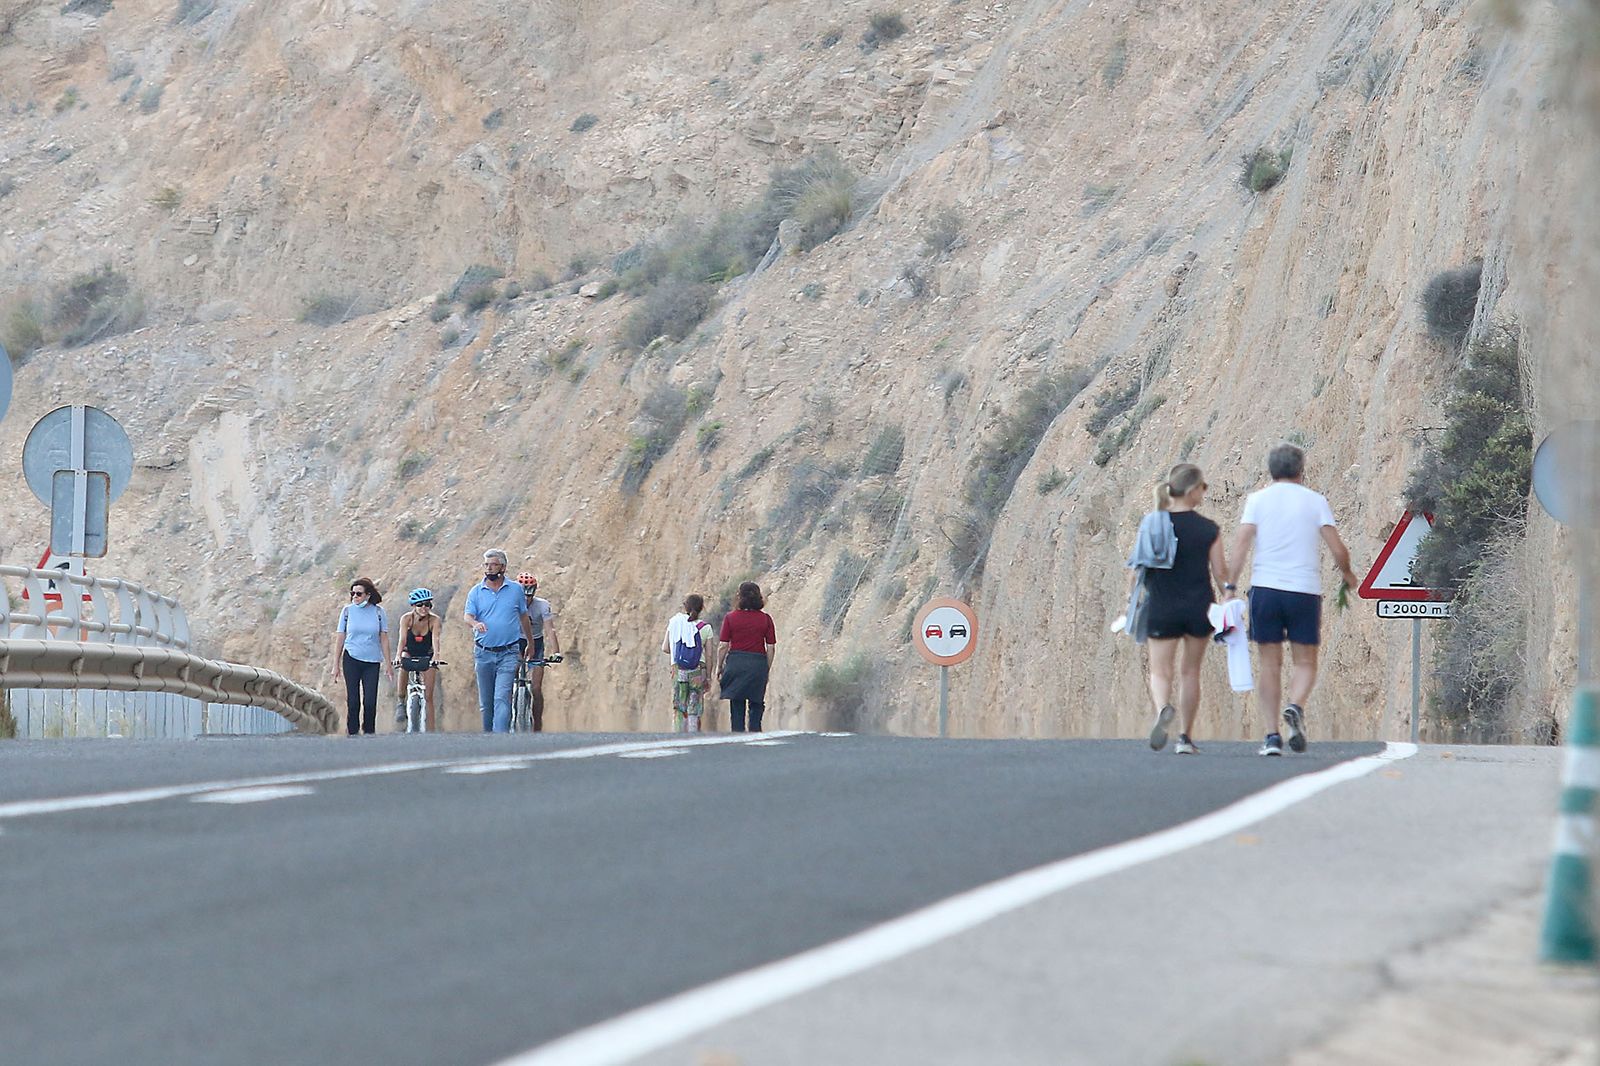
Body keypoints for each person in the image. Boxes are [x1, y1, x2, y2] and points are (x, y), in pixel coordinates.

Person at [1226, 443, 1361, 756]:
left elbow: (1241, 544)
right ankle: (1295, 705)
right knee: (1305, 662)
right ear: (1301, 470)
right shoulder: (1315, 502)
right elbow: (1338, 548)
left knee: (1269, 665)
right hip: (1304, 591)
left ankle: (1272, 736)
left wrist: (1230, 586)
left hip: (1265, 590)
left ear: (1271, 470)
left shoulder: (1256, 501)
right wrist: (1348, 575)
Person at [1129, 464, 1229, 755]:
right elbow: (1221, 572)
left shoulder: (1152, 523)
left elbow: (1136, 571)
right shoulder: (1208, 529)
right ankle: (1185, 737)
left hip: (1161, 606)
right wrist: (1230, 600)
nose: (1204, 492)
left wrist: (1131, 598)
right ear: (1193, 490)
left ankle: (1163, 708)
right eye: (1203, 487)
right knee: (1190, 672)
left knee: (1160, 671)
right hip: (1199, 607)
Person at [463, 548, 534, 733]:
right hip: (483, 652)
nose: (489, 569)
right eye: (486, 565)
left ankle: (500, 738)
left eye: (493, 565)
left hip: (509, 652)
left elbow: (524, 617)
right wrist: (475, 623)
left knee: (502, 698)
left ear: (503, 567)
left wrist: (531, 643)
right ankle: (489, 739)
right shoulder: (476, 592)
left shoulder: (516, 590)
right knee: (486, 703)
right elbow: (467, 616)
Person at [328, 576, 394, 736]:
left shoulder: (379, 612)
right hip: (351, 658)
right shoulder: (347, 611)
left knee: (370, 701)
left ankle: (369, 731)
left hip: (372, 661)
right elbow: (340, 637)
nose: (355, 597)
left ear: (368, 595)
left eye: (358, 593)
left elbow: (383, 638)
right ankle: (352, 731)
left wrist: (389, 663)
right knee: (353, 700)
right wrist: (335, 664)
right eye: (353, 593)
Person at [718, 581, 776, 732]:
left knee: (737, 702)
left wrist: (719, 666)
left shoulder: (730, 618)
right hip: (757, 663)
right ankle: (755, 733)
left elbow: (723, 645)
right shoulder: (766, 619)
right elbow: (770, 647)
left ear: (739, 597)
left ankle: (738, 737)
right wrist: (766, 668)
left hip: (736, 663)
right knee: (756, 701)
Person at [514, 572, 562, 731]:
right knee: (507, 681)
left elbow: (550, 629)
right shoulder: (510, 604)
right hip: (515, 642)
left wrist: (556, 652)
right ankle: (505, 717)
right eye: (523, 596)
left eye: (530, 595)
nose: (526, 600)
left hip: (536, 643)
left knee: (535, 687)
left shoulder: (542, 605)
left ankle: (537, 725)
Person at [662, 594, 716, 732]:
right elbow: (709, 655)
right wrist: (708, 676)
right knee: (694, 704)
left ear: (684, 606)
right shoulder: (706, 628)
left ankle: (678, 735)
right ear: (702, 608)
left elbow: (665, 648)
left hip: (678, 669)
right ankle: (693, 735)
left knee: (679, 705)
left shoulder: (675, 623)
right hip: (697, 670)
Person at [393, 588, 442, 731]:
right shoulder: (406, 619)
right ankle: (400, 701)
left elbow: (436, 639)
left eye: (427, 604)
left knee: (429, 696)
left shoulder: (434, 620)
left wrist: (437, 656)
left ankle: (431, 729)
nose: (424, 608)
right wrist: (397, 655)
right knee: (403, 660)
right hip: (409, 652)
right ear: (413, 606)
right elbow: (402, 639)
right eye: (420, 605)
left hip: (427, 654)